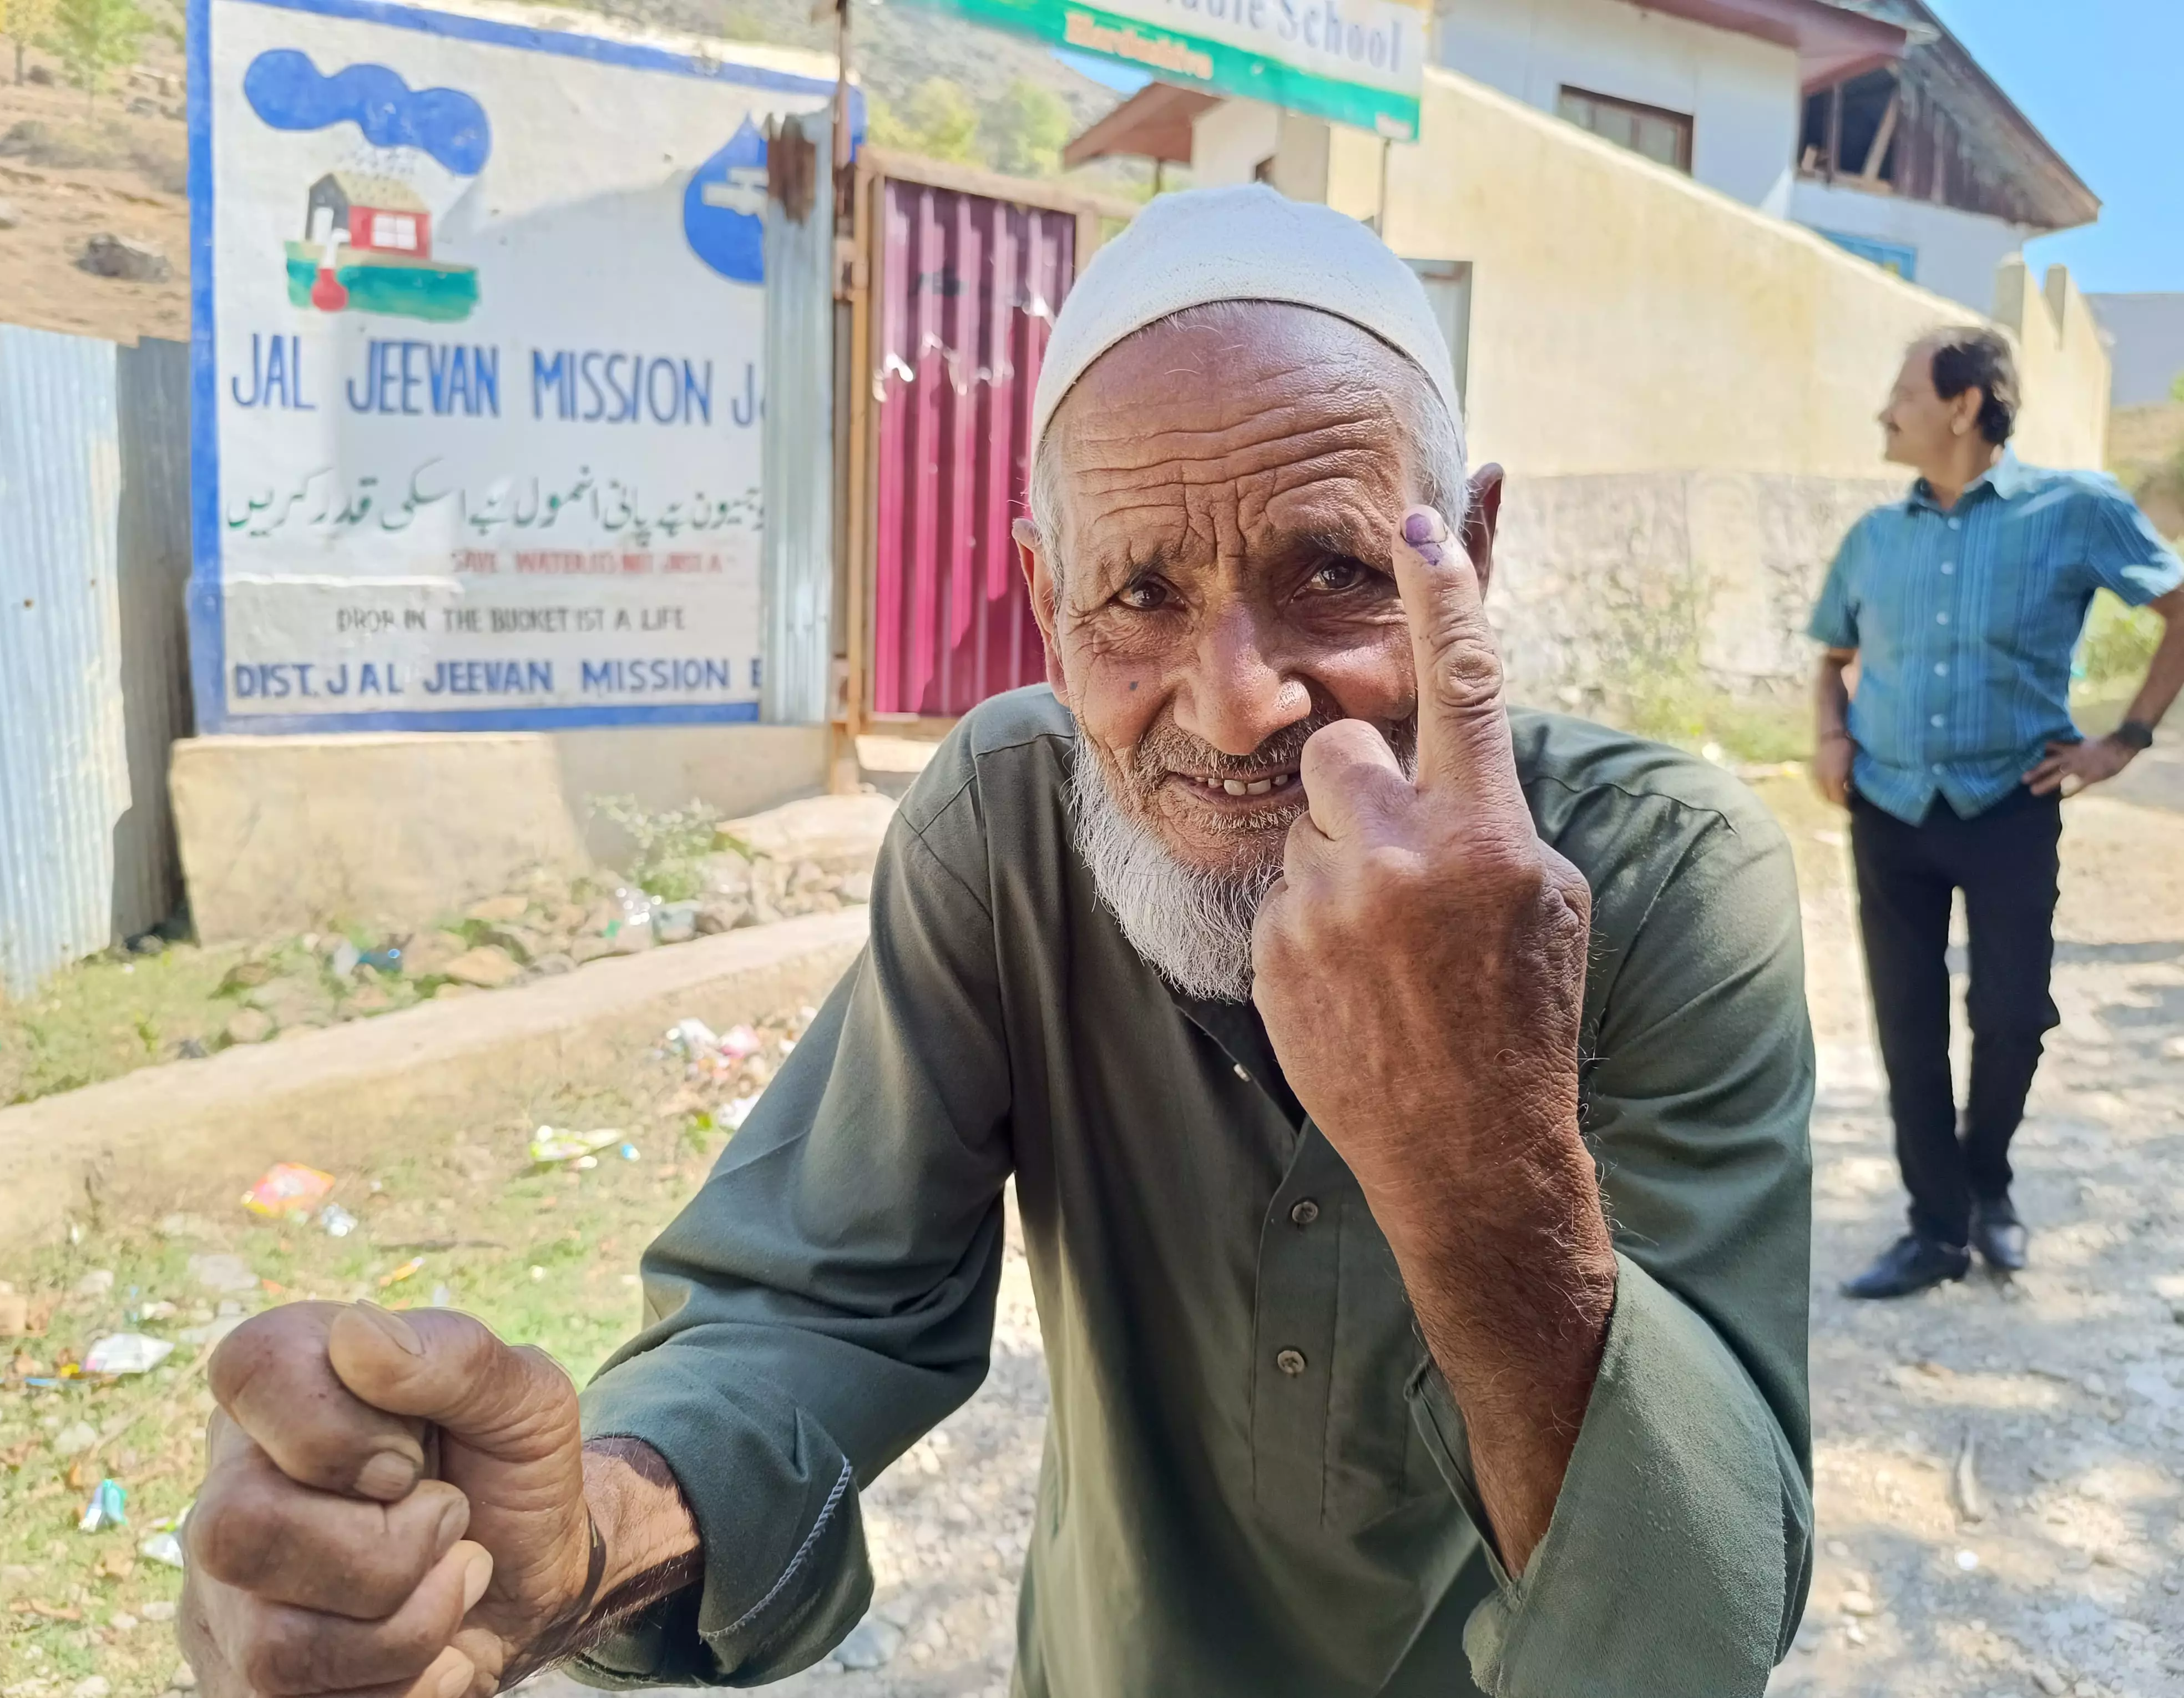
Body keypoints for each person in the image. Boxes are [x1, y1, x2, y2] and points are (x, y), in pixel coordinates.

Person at [177, 187, 1816, 1698]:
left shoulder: (1667, 881)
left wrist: (1478, 1150)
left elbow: (1695, 1623)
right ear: (1045, 599)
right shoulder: (1009, 822)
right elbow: (823, 1297)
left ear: (1473, 545)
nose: (1237, 701)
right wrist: (582, 1534)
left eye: (1332, 571)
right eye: (1140, 595)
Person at [1811, 327, 2184, 1301]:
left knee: (2013, 1014)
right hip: (1888, 808)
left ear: (1965, 404)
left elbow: (2180, 607)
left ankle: (1990, 1186)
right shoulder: (1872, 538)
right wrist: (1832, 737)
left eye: (1903, 390)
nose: (1886, 410)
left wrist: (2126, 740)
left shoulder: (2076, 509)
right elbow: (1831, 657)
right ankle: (1936, 1229)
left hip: (2011, 806)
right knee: (1907, 1023)